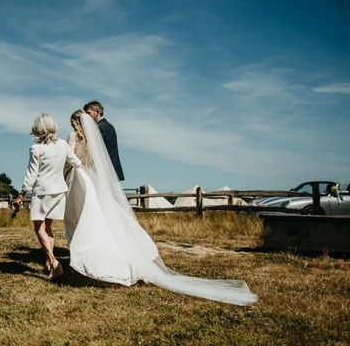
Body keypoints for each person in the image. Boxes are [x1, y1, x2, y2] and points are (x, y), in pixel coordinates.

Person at [63, 111, 257, 306]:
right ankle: (123, 256)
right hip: (93, 179)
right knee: (104, 216)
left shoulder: (73, 137)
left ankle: (94, 256)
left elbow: (68, 160)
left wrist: (63, 173)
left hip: (79, 178)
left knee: (83, 216)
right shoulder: (93, 138)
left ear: (75, 123)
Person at [13, 114, 82, 280]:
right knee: (48, 228)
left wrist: (21, 194)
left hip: (42, 192)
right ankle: (50, 267)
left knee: (39, 228)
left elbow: (31, 174)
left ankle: (53, 261)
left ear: (37, 130)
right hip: (59, 191)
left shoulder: (36, 149)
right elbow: (76, 162)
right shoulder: (63, 145)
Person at [83, 100, 124, 181]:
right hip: (113, 167)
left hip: (105, 169)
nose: (87, 117)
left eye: (89, 113)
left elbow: (96, 150)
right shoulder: (110, 126)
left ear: (97, 112)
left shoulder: (99, 128)